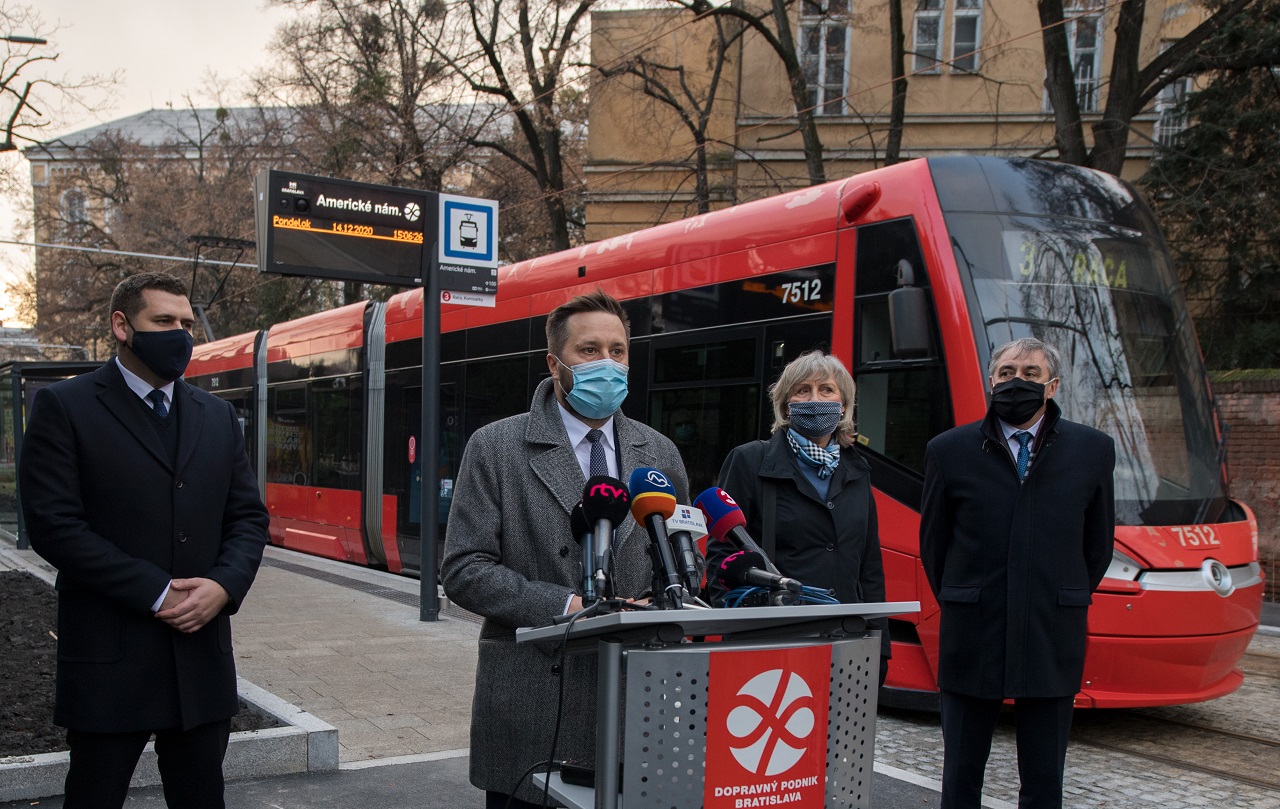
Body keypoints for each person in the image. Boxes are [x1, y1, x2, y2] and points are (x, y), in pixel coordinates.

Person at [18, 272, 270, 809]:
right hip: (109, 660)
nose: (179, 333)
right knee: (94, 797)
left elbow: (248, 518)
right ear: (122, 326)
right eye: (163, 322)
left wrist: (223, 587)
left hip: (200, 660)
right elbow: (54, 525)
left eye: (184, 323)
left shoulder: (218, 416)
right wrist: (158, 592)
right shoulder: (66, 407)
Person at [440, 289, 690, 809]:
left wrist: (665, 602)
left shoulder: (659, 452)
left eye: (618, 351)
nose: (608, 364)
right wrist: (569, 608)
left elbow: (688, 552)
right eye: (590, 350)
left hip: (637, 704)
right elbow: (464, 569)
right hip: (535, 706)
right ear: (555, 363)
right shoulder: (495, 448)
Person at [920, 337, 1115, 809]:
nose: (1016, 382)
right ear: (991, 381)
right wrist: (969, 594)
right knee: (961, 774)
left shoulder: (1093, 451)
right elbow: (935, 547)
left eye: (1030, 373)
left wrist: (1054, 592)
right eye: (1006, 373)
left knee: (1045, 779)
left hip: (1052, 631)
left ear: (1052, 386)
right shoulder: (949, 450)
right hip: (974, 632)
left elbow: (1097, 547)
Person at [709, 350, 890, 683]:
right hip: (771, 641)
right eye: (802, 390)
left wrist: (879, 645)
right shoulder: (749, 461)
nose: (815, 399)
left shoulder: (857, 469)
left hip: (844, 640)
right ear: (786, 403)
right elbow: (723, 555)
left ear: (844, 403)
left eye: (826, 390)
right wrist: (738, 627)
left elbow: (869, 567)